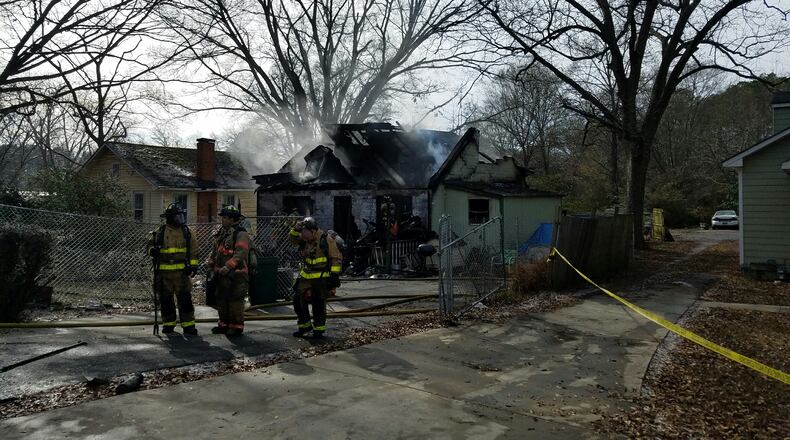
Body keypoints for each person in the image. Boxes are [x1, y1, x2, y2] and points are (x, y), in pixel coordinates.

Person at [147, 203, 199, 335]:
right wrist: (152, 251)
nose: (180, 219)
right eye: (177, 216)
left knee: (185, 300)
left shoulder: (187, 232)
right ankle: (168, 324)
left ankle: (188, 325)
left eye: (181, 216)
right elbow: (149, 246)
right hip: (164, 275)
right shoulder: (160, 232)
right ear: (169, 218)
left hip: (182, 275)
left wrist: (194, 266)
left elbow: (193, 251)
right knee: (166, 301)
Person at [289, 217, 342, 339]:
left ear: (312, 231)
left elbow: (336, 258)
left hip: (321, 276)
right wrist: (295, 229)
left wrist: (334, 276)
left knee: (318, 303)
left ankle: (318, 330)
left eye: (304, 233)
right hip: (306, 275)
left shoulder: (326, 239)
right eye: (302, 233)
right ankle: (305, 326)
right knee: (297, 300)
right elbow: (293, 240)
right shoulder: (305, 238)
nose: (303, 236)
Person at [207, 205, 251, 337]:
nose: (222, 220)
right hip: (221, 274)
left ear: (233, 219)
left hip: (237, 275)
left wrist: (228, 266)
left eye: (225, 217)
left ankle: (236, 327)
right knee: (221, 299)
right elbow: (215, 252)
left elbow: (240, 253)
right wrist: (211, 265)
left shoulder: (241, 234)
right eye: (223, 217)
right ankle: (224, 324)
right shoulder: (221, 233)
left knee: (235, 301)